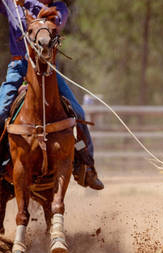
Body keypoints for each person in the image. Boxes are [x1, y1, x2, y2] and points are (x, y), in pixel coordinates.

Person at [0, 0, 104, 190]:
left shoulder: (58, 9)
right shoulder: (11, 3)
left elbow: (52, 23)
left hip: (47, 69)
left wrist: (26, 3)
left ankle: (86, 166)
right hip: (18, 66)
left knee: (78, 113)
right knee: (1, 111)